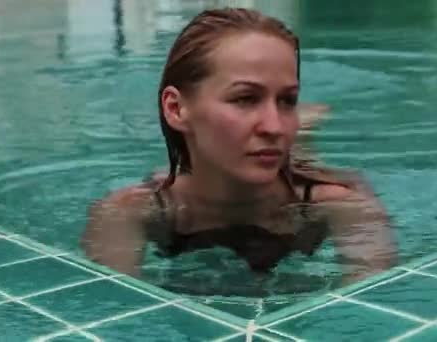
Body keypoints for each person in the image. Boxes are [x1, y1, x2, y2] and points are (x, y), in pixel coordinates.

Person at [81, 7, 397, 295]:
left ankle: (301, 145)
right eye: (245, 98)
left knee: (301, 165)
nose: (275, 126)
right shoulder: (130, 212)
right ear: (176, 109)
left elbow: (376, 312)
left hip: (294, 191)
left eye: (287, 101)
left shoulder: (340, 206)